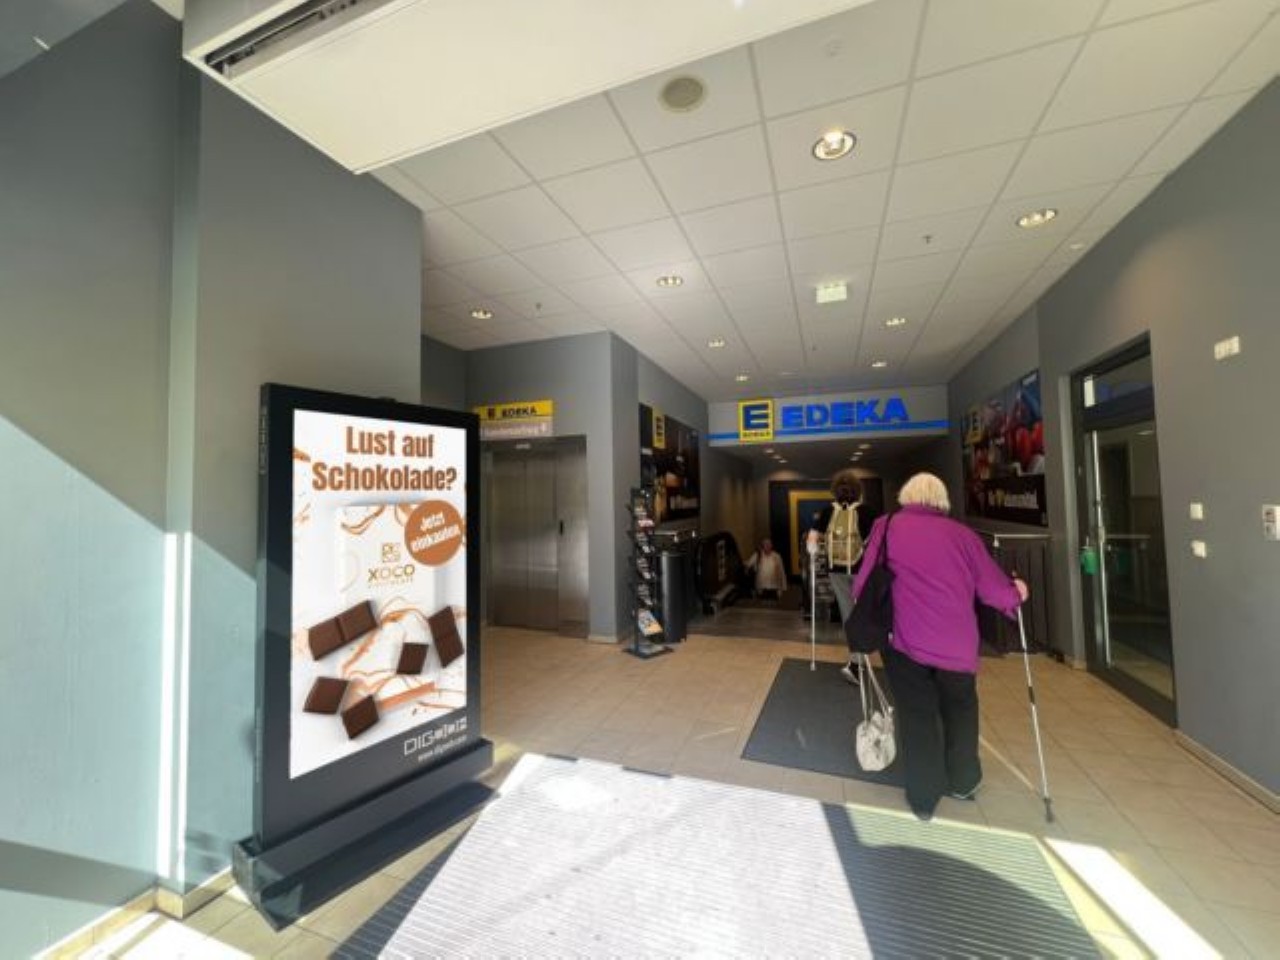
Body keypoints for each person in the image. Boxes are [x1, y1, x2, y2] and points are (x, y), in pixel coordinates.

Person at [851, 472, 1028, 822]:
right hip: (957, 647)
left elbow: (863, 583)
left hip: (904, 643)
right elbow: (994, 591)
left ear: (906, 496)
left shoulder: (887, 527)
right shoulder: (963, 536)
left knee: (917, 716)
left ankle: (923, 797)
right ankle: (963, 781)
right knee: (961, 711)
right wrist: (1018, 592)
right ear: (942, 500)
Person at [807, 469, 866, 680]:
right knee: (861, 614)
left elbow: (812, 538)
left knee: (849, 616)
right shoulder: (866, 512)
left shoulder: (827, 511)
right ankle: (860, 660)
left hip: (837, 571)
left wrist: (812, 551)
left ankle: (857, 662)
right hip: (861, 571)